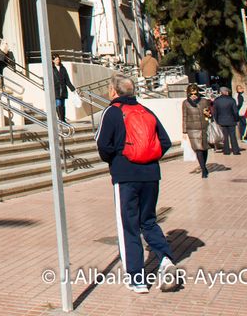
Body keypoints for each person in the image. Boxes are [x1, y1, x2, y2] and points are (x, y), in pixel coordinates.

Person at [96, 75, 181, 293]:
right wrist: (149, 157)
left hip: (126, 176)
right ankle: (165, 260)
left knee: (128, 227)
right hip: (151, 175)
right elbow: (165, 141)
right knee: (149, 221)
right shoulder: (146, 111)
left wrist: (117, 160)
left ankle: (137, 278)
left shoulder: (112, 111)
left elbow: (103, 144)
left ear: (115, 91)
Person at [182, 84, 211, 177]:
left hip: (203, 127)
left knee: (204, 148)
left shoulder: (204, 101)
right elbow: (184, 116)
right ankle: (203, 169)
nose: (193, 95)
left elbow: (209, 113)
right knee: (198, 149)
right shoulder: (185, 103)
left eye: (195, 93)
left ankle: (204, 165)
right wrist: (184, 130)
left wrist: (208, 114)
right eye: (191, 94)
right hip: (192, 129)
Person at [211, 86, 241, 156]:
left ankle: (226, 150)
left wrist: (216, 120)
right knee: (233, 136)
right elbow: (235, 111)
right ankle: (235, 150)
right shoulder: (231, 100)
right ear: (226, 92)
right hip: (231, 120)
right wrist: (237, 119)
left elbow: (215, 112)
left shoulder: (217, 100)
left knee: (225, 136)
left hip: (221, 121)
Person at [52, 56, 75, 124]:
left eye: (58, 59)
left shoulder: (63, 68)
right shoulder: (51, 69)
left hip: (63, 89)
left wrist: (72, 88)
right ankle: (60, 119)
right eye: (56, 60)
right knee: (58, 104)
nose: (57, 61)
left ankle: (63, 119)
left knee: (62, 104)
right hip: (56, 89)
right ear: (53, 61)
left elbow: (67, 80)